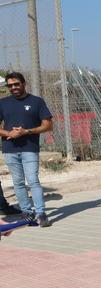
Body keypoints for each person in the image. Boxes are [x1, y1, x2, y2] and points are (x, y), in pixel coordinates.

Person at [0, 72, 54, 227]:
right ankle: (27, 213)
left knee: (33, 181)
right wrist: (8, 133)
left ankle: (41, 214)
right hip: (10, 149)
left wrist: (27, 131)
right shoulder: (3, 103)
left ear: (24, 83)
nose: (13, 87)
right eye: (10, 85)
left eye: (16, 84)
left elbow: (48, 125)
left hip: (29, 148)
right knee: (18, 182)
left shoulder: (37, 102)